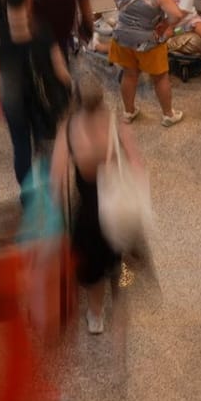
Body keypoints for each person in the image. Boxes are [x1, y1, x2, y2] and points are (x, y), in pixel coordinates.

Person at [51, 79, 143, 334]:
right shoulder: (115, 123)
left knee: (92, 268)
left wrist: (56, 214)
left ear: (76, 102)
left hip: (90, 214)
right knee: (118, 252)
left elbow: (56, 177)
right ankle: (121, 288)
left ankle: (95, 314)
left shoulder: (69, 129)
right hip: (117, 208)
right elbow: (136, 164)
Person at [0, 0, 72, 184]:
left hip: (12, 100)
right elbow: (60, 69)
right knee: (44, 146)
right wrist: (71, 91)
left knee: (21, 148)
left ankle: (28, 195)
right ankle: (48, 190)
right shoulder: (41, 31)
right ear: (26, 6)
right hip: (41, 97)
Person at [109, 0, 189, 126]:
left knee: (129, 74)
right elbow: (177, 15)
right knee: (160, 77)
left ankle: (129, 112)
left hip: (123, 39)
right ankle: (168, 115)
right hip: (149, 42)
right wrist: (166, 24)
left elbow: (118, 4)